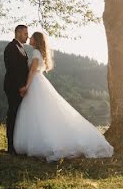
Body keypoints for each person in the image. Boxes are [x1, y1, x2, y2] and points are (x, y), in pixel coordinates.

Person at [12, 31, 114, 162]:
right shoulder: (39, 53)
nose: (29, 38)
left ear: (36, 40)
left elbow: (32, 71)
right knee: (41, 112)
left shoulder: (36, 53)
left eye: (31, 37)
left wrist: (26, 86)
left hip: (35, 83)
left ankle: (44, 142)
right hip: (38, 82)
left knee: (37, 112)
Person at [2, 24, 30, 154]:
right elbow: (13, 70)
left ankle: (16, 145)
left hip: (19, 87)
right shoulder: (12, 47)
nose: (27, 36)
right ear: (18, 33)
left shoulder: (21, 48)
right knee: (13, 115)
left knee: (18, 115)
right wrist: (21, 86)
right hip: (14, 87)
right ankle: (11, 147)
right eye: (25, 33)